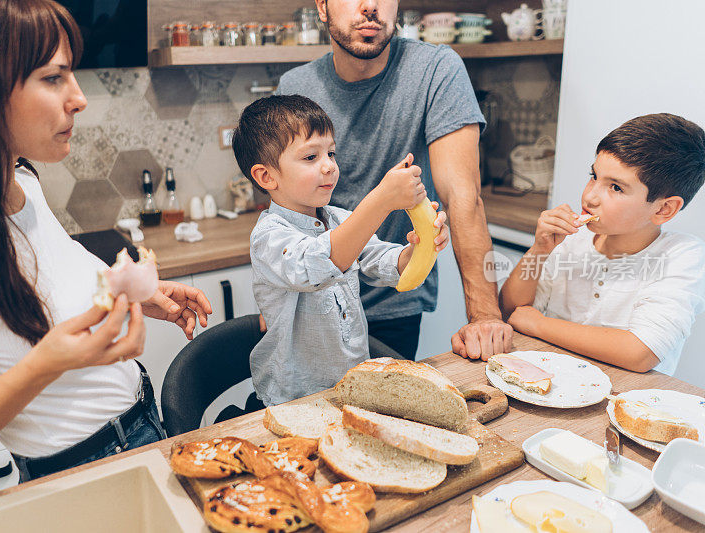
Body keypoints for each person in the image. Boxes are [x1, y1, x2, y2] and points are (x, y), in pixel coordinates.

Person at [0, 0, 211, 482]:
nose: (79, 97)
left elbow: (46, 274)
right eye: (54, 78)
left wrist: (129, 293)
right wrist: (43, 366)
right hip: (80, 472)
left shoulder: (22, 180)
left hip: (139, 430)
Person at [275, 0, 512, 361]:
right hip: (313, 296)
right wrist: (275, 291)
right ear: (322, 7)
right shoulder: (295, 87)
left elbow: (463, 197)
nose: (371, 6)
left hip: (393, 290)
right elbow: (283, 208)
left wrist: (484, 318)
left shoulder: (436, 69)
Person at [232, 95, 449, 405]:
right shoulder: (269, 237)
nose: (329, 166)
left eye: (331, 153)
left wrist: (419, 249)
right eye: (311, 158)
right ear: (267, 176)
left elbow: (380, 259)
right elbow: (319, 263)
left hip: (349, 389)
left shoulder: (339, 218)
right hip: (294, 400)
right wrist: (382, 200)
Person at [500, 114, 705, 374]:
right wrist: (539, 250)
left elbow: (639, 352)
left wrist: (538, 324)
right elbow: (511, 311)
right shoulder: (571, 240)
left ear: (664, 209)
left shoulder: (681, 255)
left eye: (616, 188)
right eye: (593, 175)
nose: (590, 196)